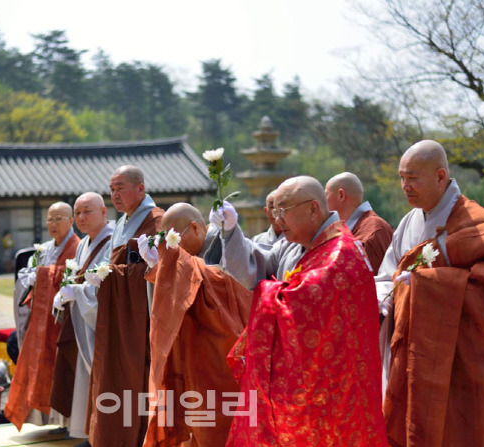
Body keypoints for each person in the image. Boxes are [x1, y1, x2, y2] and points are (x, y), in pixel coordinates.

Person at [225, 177, 388, 446]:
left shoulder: (339, 254)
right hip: (318, 379)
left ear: (314, 209)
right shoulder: (302, 243)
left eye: (284, 210)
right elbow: (254, 268)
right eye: (274, 212)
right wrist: (230, 232)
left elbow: (301, 305)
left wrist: (272, 292)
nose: (278, 220)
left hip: (333, 385)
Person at [376, 140, 484, 446]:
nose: (404, 186)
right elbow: (388, 275)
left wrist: (428, 287)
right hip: (412, 348)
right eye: (401, 177)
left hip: (459, 358)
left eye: (412, 178)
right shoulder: (409, 222)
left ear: (440, 176)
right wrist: (383, 300)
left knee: (458, 428)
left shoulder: (475, 223)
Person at [139, 203, 253, 447]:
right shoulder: (187, 258)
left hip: (222, 356)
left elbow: (239, 285)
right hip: (196, 355)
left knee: (222, 424)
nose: (171, 249)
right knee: (197, 421)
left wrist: (164, 269)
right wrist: (157, 268)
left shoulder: (228, 246)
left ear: (194, 227)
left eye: (173, 239)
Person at [86, 165, 164, 447]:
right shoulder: (122, 222)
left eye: (120, 188)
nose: (114, 195)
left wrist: (111, 275)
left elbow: (157, 270)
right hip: (120, 311)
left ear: (140, 189)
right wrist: (105, 274)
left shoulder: (156, 220)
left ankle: (142, 437)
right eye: (111, 189)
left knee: (137, 378)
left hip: (142, 317)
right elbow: (118, 262)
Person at [5, 202, 80, 431]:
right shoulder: (43, 250)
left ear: (71, 221)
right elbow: (26, 278)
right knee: (37, 365)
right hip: (40, 321)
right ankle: (43, 419)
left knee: (62, 370)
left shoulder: (78, 247)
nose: (53, 224)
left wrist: (43, 275)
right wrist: (33, 276)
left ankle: (67, 421)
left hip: (64, 322)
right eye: (50, 219)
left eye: (59, 218)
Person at [51, 192, 113, 443]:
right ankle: (82, 428)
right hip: (82, 320)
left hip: (99, 321)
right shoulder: (84, 244)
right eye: (77, 213)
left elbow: (109, 285)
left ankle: (98, 432)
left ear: (103, 212)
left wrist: (78, 291)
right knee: (81, 378)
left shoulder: (112, 241)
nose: (81, 217)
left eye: (87, 211)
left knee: (97, 376)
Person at [325, 172, 393, 274]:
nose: (324, 203)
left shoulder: (372, 231)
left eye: (326, 195)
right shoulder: (353, 228)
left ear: (341, 195)